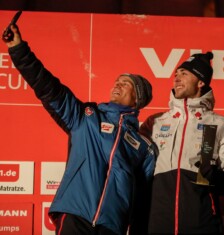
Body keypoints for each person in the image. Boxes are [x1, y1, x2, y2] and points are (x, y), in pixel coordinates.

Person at [3, 23, 157, 235]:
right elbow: (49, 88)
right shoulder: (87, 117)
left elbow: (142, 199)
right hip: (76, 214)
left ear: (137, 98)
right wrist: (19, 50)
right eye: (116, 81)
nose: (117, 85)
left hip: (112, 225)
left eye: (125, 83)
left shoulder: (144, 147)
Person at [140, 52, 224, 235]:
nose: (176, 79)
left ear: (200, 82)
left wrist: (212, 176)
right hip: (158, 220)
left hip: (201, 220)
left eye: (184, 74)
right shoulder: (155, 121)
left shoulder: (220, 124)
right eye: (176, 74)